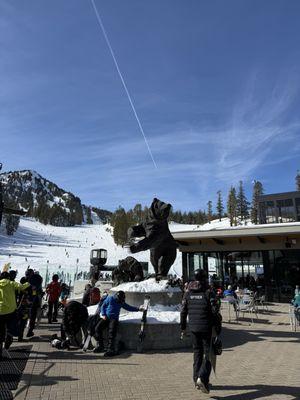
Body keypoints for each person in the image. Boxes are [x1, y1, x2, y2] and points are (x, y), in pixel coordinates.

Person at [180, 269, 221, 394]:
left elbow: (183, 312)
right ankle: (202, 378)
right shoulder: (208, 292)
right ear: (204, 278)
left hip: (193, 328)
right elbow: (215, 311)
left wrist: (183, 328)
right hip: (206, 328)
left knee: (197, 353)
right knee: (208, 355)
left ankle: (196, 379)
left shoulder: (188, 293)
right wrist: (217, 327)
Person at [94, 290, 144, 357]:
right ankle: (101, 346)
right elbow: (103, 306)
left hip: (114, 319)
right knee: (97, 328)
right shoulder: (110, 298)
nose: (120, 301)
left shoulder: (121, 302)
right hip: (106, 317)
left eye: (122, 300)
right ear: (117, 297)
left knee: (111, 333)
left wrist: (138, 309)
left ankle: (110, 349)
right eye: (120, 300)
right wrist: (103, 314)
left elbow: (128, 307)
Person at [0, 271, 30, 360]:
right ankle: (9, 337)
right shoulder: (11, 283)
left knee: (0, 330)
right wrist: (29, 282)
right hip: (10, 310)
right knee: (11, 326)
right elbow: (22, 286)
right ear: (9, 277)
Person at [25, 269, 43, 337]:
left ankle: (28, 330)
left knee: (29, 315)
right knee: (33, 315)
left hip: (27, 300)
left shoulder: (28, 279)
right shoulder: (37, 278)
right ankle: (30, 330)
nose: (27, 276)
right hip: (34, 300)